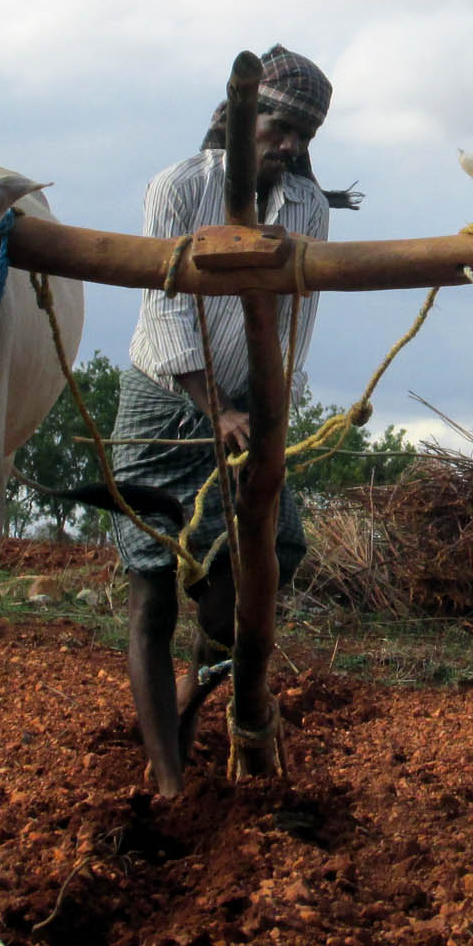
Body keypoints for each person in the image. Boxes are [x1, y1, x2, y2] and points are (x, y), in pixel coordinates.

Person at [108, 45, 335, 795]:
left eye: (304, 135)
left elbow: (295, 326)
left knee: (264, 570)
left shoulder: (307, 209)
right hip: (163, 405)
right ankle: (170, 783)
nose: (291, 145)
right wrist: (220, 410)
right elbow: (165, 310)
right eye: (279, 127)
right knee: (151, 593)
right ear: (242, 118)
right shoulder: (178, 187)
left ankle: (185, 700)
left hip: (245, 412)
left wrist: (267, 415)